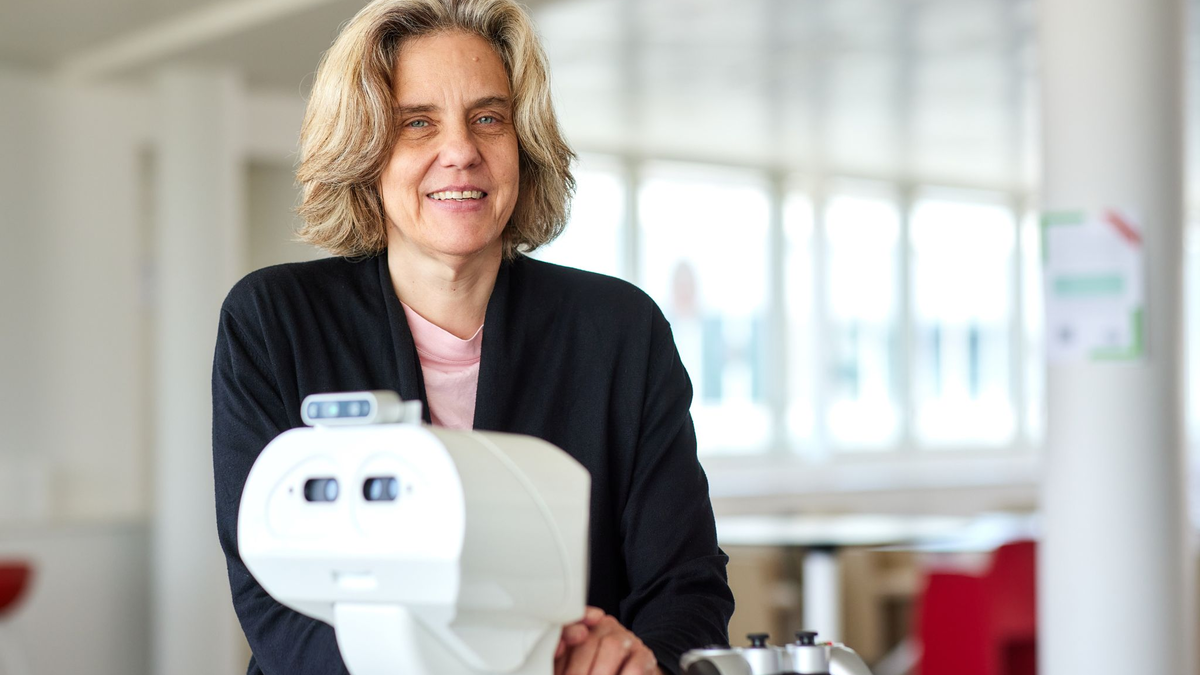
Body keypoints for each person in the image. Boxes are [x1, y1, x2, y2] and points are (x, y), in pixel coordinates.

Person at [211, 0, 734, 673]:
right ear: (366, 150)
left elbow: (687, 585)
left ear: (522, 144)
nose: (460, 151)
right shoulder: (272, 321)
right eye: (417, 123)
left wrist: (639, 658)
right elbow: (272, 596)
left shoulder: (622, 332)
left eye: (488, 118)